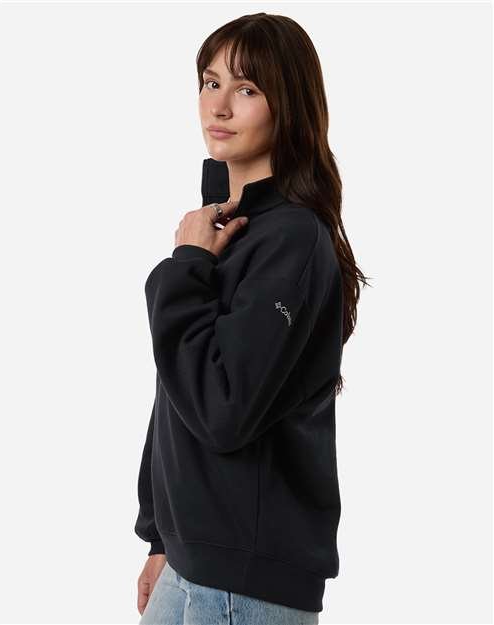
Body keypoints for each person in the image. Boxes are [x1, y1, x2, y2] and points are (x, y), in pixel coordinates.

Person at [135, 12, 369, 625]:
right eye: (211, 83)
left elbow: (223, 410)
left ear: (287, 104)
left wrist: (184, 268)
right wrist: (160, 536)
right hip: (191, 567)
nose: (219, 106)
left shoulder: (291, 238)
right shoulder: (226, 229)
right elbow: (176, 390)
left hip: (245, 588)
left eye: (246, 89)